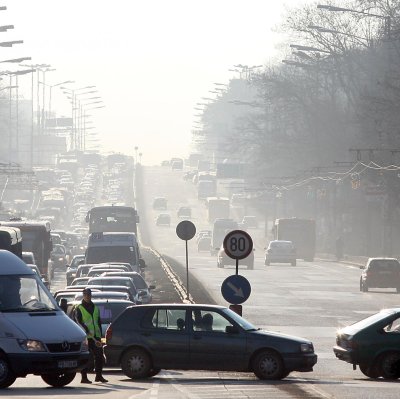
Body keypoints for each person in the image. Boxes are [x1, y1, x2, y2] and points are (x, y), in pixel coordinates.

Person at [75, 288, 108, 384]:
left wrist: (101, 337)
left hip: (96, 337)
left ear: (91, 295)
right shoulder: (79, 308)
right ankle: (84, 377)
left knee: (99, 356)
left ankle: (98, 375)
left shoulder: (96, 308)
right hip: (85, 336)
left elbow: (98, 322)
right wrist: (85, 328)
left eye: (89, 295)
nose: (87, 296)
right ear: (83, 295)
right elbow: (78, 321)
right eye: (85, 295)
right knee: (85, 357)